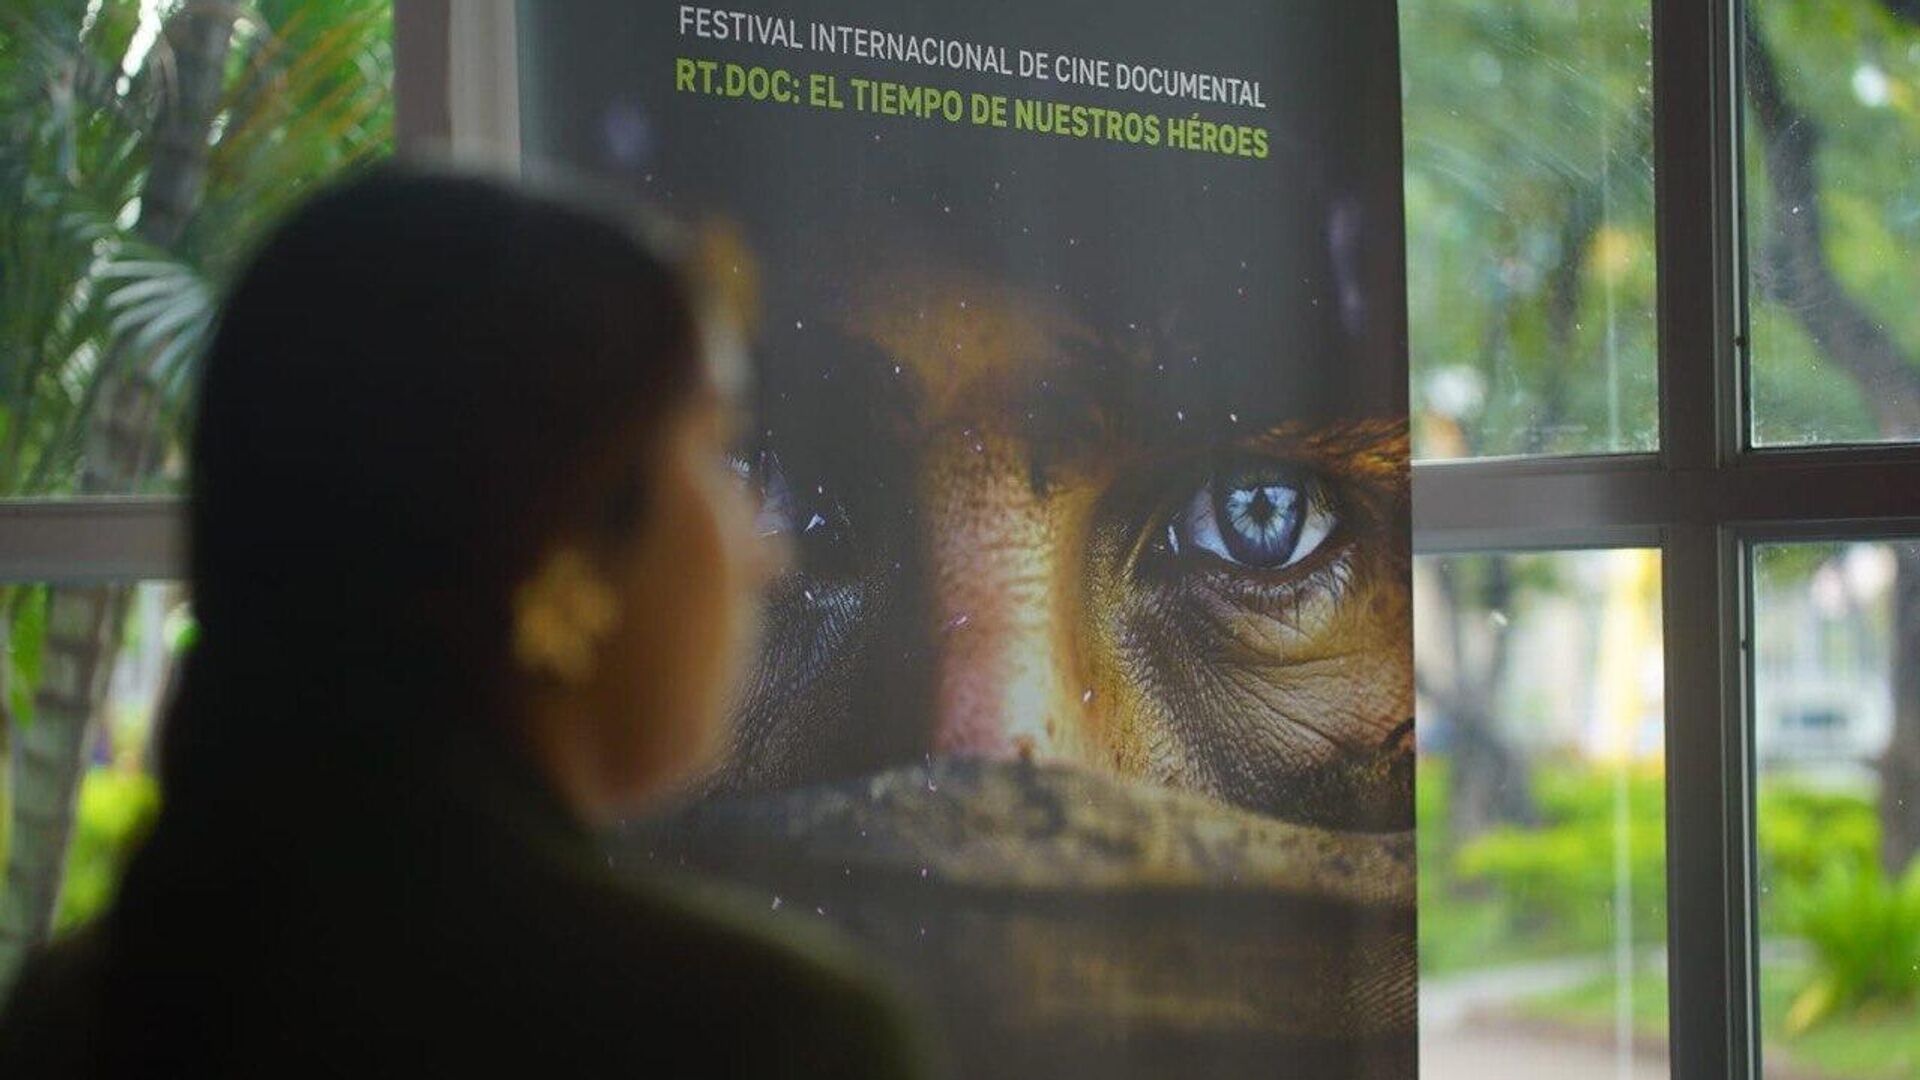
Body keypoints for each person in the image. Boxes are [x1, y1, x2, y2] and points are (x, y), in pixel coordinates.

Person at [0, 166, 931, 1077]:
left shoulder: (73, 1015)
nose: (766, 553)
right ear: (560, 542)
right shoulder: (770, 1039)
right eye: (716, 452)